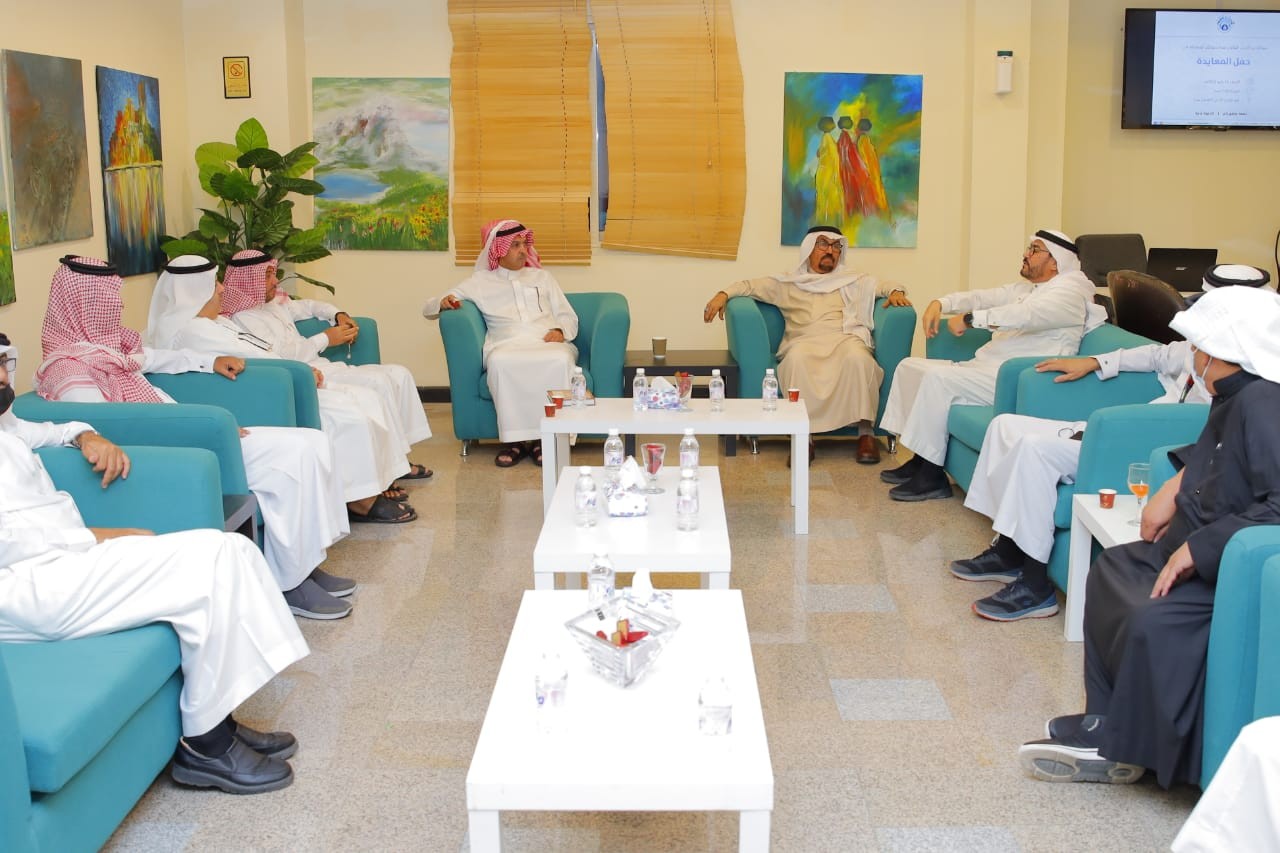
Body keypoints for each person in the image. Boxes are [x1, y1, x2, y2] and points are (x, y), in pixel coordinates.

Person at [0, 336, 307, 793]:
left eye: (3, 363)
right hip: (25, 587)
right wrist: (95, 536)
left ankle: (217, 723)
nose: (2, 378)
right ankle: (207, 747)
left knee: (232, 550)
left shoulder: (5, 424)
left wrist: (86, 435)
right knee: (214, 559)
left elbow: (48, 430)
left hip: (62, 562)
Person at [1018, 285, 1280, 789]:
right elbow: (1216, 450)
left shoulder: (1264, 402)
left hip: (1227, 562)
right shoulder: (1234, 393)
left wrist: (1197, 549)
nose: (1194, 357)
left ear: (1224, 352)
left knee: (1150, 616)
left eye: (1200, 347)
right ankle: (1105, 719)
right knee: (1112, 570)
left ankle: (1133, 744)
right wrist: (1172, 486)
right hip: (1193, 538)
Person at [33, 256, 355, 619]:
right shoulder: (67, 370)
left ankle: (304, 565)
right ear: (84, 306)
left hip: (189, 435)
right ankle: (289, 583)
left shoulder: (107, 352)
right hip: (176, 451)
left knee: (311, 442)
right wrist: (204, 428)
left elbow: (158, 358)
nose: (119, 307)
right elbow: (112, 426)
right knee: (292, 457)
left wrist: (210, 361)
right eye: (110, 300)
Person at [954, 264, 1272, 622]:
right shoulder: (1199, 347)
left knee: (1033, 450)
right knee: (1004, 426)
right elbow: (1157, 355)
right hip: (1127, 428)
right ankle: (1008, 548)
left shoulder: (1247, 373)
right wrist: (1094, 362)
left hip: (1143, 440)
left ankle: (1034, 585)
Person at [146, 254, 420, 526]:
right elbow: (250, 357)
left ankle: (368, 487)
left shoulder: (212, 322)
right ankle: (359, 500)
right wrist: (298, 370)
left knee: (355, 403)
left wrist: (298, 368)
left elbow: (256, 351)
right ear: (193, 292)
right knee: (346, 414)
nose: (221, 288)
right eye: (213, 283)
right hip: (256, 394)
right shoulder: (192, 329)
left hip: (271, 382)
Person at [878, 230, 1098, 500]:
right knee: (910, 367)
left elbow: (1023, 315)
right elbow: (984, 297)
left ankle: (932, 475)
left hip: (1019, 377)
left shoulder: (1069, 293)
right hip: (987, 368)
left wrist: (970, 319)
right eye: (1028, 248)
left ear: (1055, 262)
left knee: (938, 380)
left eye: (1035, 250)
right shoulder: (1030, 289)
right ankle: (920, 457)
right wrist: (941, 303)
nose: (1026, 254)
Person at [703, 225, 910, 463]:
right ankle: (803, 437)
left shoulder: (852, 280)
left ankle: (865, 433)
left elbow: (883, 285)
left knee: (859, 359)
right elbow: (749, 285)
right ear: (809, 248)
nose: (830, 251)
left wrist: (896, 291)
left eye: (835, 246)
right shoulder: (789, 283)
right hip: (803, 341)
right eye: (823, 244)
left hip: (844, 339)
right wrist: (723, 294)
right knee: (797, 360)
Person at [219, 249, 434, 478]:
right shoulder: (243, 318)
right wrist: (326, 339)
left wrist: (338, 314)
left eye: (273, 273)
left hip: (324, 365)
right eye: (267, 275)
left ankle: (397, 460)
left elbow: (310, 306)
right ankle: (395, 468)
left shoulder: (273, 304)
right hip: (308, 374)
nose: (275, 281)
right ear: (248, 280)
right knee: (377, 383)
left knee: (399, 373)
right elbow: (281, 357)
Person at [423, 219, 579, 468]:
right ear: (498, 250)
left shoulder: (543, 277)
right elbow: (428, 308)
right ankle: (515, 441)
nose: (523, 250)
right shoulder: (480, 282)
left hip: (546, 342)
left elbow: (567, 314)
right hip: (506, 345)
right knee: (499, 362)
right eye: (515, 245)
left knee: (560, 359)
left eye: (524, 244)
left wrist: (561, 331)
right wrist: (442, 303)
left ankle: (546, 438)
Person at [813, 116, 844, 227]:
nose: (834, 125)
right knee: (828, 198)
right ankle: (827, 222)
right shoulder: (827, 139)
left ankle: (828, 221)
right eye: (832, 123)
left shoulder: (827, 139)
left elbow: (820, 153)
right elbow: (830, 157)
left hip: (827, 173)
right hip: (827, 174)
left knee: (827, 198)